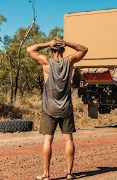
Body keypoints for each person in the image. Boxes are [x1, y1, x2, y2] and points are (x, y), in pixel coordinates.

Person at [27, 38, 88, 180]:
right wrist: (68, 42)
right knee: (68, 139)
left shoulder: (46, 62)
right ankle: (69, 173)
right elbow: (84, 49)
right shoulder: (69, 61)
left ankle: (46, 174)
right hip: (66, 107)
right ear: (63, 50)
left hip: (49, 108)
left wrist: (47, 43)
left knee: (48, 140)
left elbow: (30, 49)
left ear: (52, 50)